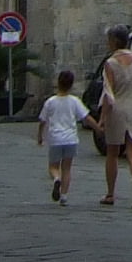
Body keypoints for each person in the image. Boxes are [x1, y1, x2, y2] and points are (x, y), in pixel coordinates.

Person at [97, 27, 132, 209]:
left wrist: (102, 118)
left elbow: (108, 95)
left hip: (117, 109)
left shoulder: (110, 63)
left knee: (112, 153)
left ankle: (110, 193)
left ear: (114, 41)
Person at [34, 69, 88, 204]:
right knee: (67, 168)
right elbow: (86, 117)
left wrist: (40, 136)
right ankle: (64, 196)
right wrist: (98, 128)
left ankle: (56, 179)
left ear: (58, 83)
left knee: (53, 167)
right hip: (71, 139)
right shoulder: (75, 101)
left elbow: (42, 121)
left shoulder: (50, 101)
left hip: (56, 139)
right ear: (71, 85)